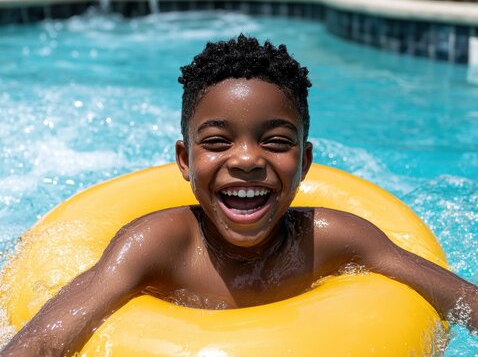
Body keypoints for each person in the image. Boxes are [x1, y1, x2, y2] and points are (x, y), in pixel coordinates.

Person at [1, 35, 477, 356]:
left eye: (274, 141)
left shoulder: (335, 239)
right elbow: (44, 339)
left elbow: (460, 300)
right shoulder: (158, 244)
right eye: (217, 141)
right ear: (185, 161)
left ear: (305, 162)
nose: (247, 159)